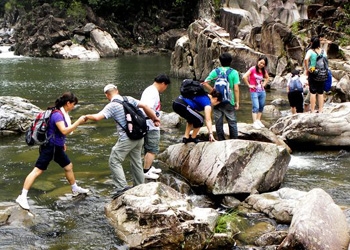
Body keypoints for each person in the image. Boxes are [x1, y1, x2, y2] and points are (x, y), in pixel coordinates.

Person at [16, 92, 89, 210]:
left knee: (68, 166)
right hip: (50, 148)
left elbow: (56, 132)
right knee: (37, 171)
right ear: (68, 103)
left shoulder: (59, 112)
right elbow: (64, 130)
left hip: (57, 147)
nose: (73, 107)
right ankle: (22, 196)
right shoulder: (58, 115)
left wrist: (62, 143)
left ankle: (74, 189)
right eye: (73, 104)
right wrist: (78, 122)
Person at [84, 84, 160, 197]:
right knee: (136, 161)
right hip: (139, 136)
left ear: (107, 95)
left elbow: (97, 117)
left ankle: (122, 188)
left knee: (114, 161)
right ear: (117, 91)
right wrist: (155, 118)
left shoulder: (112, 106)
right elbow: (144, 106)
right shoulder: (128, 98)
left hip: (127, 139)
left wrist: (86, 116)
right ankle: (140, 186)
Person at [202, 52, 240, 140]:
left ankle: (221, 140)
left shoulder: (216, 71)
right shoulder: (234, 72)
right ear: (230, 61)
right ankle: (234, 140)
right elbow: (236, 89)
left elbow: (205, 83)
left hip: (216, 100)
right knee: (232, 122)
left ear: (220, 61)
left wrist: (213, 91)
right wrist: (237, 102)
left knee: (218, 122)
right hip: (229, 101)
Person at [140, 74, 171, 180]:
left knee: (148, 148)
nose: (165, 89)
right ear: (163, 83)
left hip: (148, 123)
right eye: (166, 86)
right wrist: (155, 119)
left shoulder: (150, 90)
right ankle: (146, 171)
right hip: (150, 124)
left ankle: (147, 168)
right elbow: (146, 107)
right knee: (153, 148)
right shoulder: (152, 92)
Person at [242, 56, 269, 129]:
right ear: (258, 61)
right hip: (254, 91)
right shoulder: (253, 69)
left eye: (263, 64)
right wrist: (249, 85)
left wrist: (264, 84)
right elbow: (244, 77)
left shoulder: (263, 71)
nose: (261, 65)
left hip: (262, 91)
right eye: (261, 63)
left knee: (261, 106)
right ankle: (254, 122)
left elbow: (267, 78)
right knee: (256, 106)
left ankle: (258, 120)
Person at [303, 38, 326, 113]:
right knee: (320, 92)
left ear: (312, 43)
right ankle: (321, 110)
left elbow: (306, 59)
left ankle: (312, 110)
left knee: (312, 92)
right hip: (322, 73)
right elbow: (326, 61)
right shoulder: (323, 51)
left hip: (313, 72)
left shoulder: (310, 51)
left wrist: (307, 69)